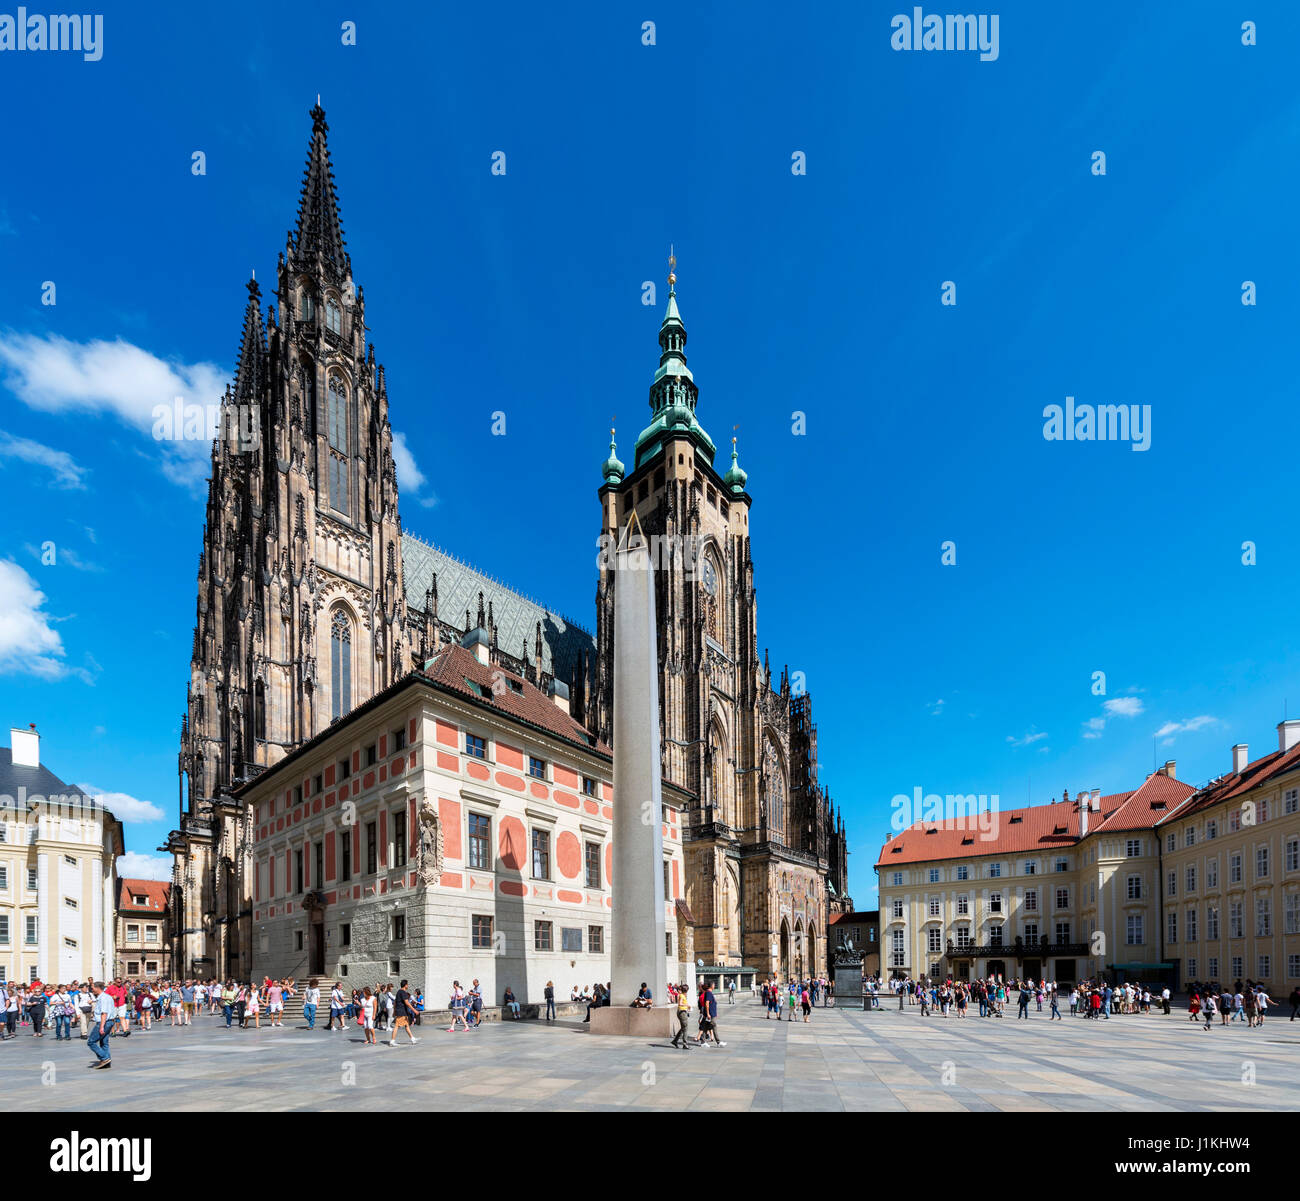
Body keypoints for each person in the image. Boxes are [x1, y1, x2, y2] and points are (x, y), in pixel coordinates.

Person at [87, 980, 114, 1069]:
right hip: (109, 1022)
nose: (92, 990)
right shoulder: (108, 997)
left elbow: (104, 1013)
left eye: (93, 988)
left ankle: (105, 1058)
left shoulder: (103, 998)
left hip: (104, 1022)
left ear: (98, 988)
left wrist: (101, 1026)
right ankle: (107, 1061)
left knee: (91, 1042)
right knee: (104, 1043)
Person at [389, 979, 419, 1046]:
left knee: (406, 1025)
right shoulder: (403, 992)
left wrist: (394, 1011)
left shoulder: (399, 992)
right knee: (396, 1026)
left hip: (402, 1012)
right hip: (401, 1012)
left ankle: (412, 1039)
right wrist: (414, 1010)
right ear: (405, 985)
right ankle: (392, 1041)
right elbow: (407, 1003)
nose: (408, 985)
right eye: (407, 984)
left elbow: (395, 1002)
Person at [671, 984, 692, 1048]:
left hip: (682, 1012)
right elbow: (679, 1003)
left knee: (683, 1028)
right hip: (682, 1013)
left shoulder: (682, 995)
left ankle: (675, 1040)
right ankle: (685, 1044)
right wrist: (687, 1005)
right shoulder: (682, 996)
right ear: (686, 990)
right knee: (685, 1028)